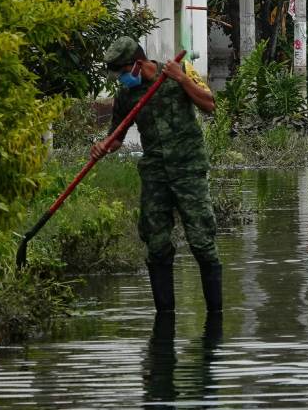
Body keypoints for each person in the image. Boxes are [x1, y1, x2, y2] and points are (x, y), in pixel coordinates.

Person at [91, 38, 222, 315]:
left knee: (202, 242)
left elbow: (210, 104)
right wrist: (104, 146)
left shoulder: (179, 71)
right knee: (157, 244)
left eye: (123, 72)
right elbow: (116, 137)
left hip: (188, 170)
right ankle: (165, 316)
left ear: (137, 64)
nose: (122, 79)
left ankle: (215, 316)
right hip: (155, 174)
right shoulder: (126, 95)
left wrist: (182, 80)